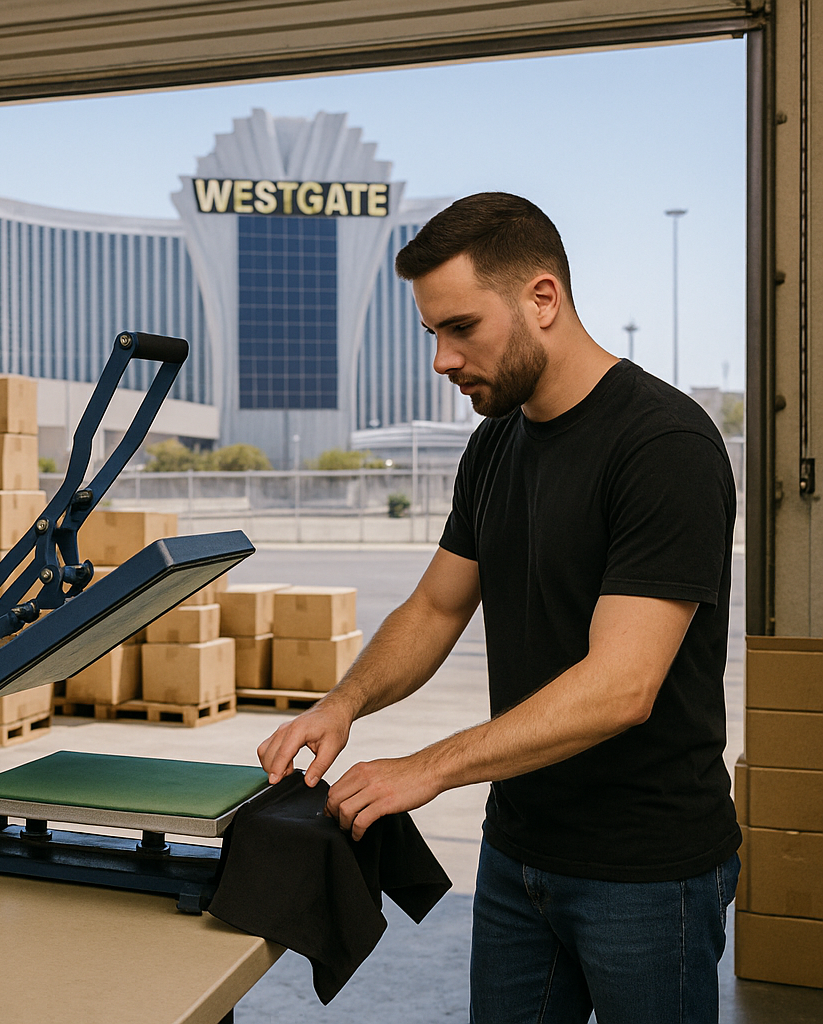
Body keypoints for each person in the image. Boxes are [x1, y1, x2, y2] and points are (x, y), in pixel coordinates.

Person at [257, 192, 739, 1023]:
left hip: (647, 872)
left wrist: (426, 768)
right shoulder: (495, 445)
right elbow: (437, 609)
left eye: (461, 328)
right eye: (431, 334)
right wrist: (344, 704)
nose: (442, 360)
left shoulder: (664, 445)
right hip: (518, 854)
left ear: (541, 299)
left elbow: (623, 684)